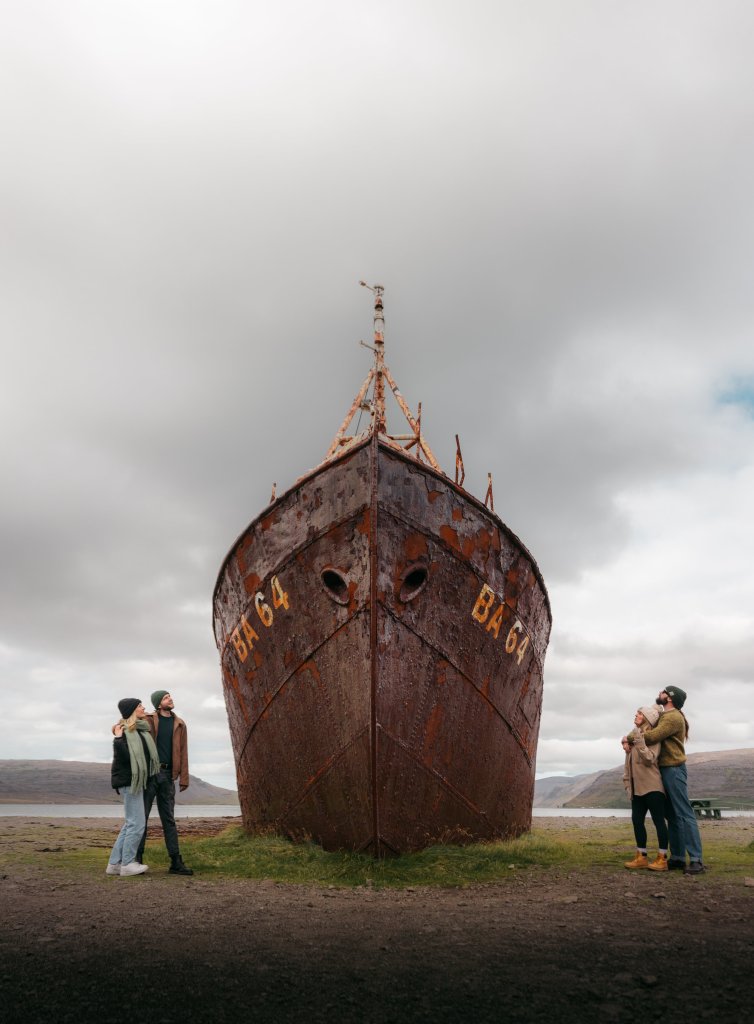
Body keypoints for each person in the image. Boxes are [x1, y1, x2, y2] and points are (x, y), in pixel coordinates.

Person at [626, 685, 705, 875]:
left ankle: (696, 859)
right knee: (672, 815)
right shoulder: (665, 716)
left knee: (684, 813)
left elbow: (652, 736)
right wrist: (631, 737)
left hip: (674, 769)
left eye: (663, 691)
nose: (659, 693)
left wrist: (628, 737)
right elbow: (647, 726)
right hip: (664, 770)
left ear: (669, 697)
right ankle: (677, 857)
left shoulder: (673, 717)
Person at [134, 690, 193, 876]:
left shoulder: (180, 724)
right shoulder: (148, 719)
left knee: (169, 819)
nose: (171, 699)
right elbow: (128, 729)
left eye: (170, 696)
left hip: (168, 775)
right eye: (167, 697)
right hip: (150, 774)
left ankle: (176, 862)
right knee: (141, 818)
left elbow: (183, 751)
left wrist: (184, 778)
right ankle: (136, 860)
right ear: (159, 703)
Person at [107, 698, 159, 877]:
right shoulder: (123, 732)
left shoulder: (142, 730)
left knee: (130, 824)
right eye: (139, 706)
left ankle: (114, 864)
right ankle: (128, 864)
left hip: (138, 782)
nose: (143, 707)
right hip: (130, 782)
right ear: (131, 710)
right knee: (136, 824)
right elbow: (122, 758)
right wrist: (118, 739)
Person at [621, 705, 669, 871]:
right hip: (636, 788)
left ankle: (662, 858)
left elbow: (650, 759)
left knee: (658, 822)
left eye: (640, 713)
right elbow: (628, 764)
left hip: (653, 786)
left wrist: (639, 741)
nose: (636, 714)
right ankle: (641, 856)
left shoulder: (652, 737)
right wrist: (627, 782)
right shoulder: (633, 736)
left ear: (647, 717)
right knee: (637, 821)